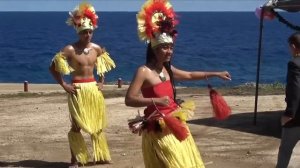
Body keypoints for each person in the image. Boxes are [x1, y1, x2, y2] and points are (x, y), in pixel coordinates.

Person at [125, 0, 231, 167]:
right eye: (165, 47)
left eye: (171, 47)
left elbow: (189, 74)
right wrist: (156, 101)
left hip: (176, 125)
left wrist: (215, 73)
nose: (170, 51)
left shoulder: (168, 69)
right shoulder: (143, 71)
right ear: (154, 49)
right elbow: (129, 99)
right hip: (160, 130)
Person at [49, 2, 115, 167]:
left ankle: (99, 155)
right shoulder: (70, 49)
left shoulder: (97, 49)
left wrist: (101, 82)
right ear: (79, 32)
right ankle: (76, 159)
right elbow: (53, 67)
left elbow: (103, 64)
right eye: (85, 32)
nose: (88, 35)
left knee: (97, 123)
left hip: (93, 89)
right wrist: (64, 84)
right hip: (77, 89)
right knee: (77, 125)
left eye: (90, 31)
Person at [276, 32, 300, 168]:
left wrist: (289, 114)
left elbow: (295, 89)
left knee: (285, 150)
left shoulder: (294, 63)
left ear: (293, 46)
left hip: (297, 118)